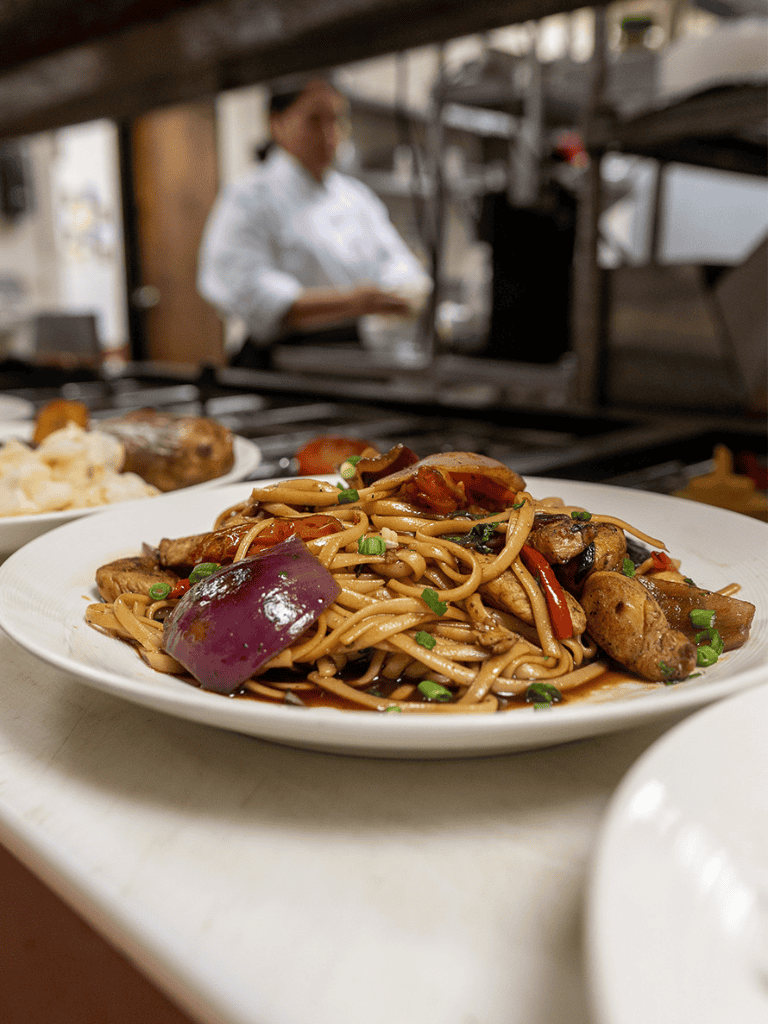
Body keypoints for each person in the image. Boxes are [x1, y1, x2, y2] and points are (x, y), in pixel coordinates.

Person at [197, 73, 431, 369]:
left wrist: (402, 291)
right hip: (279, 365)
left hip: (355, 359)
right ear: (276, 123)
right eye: (314, 120)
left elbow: (397, 263)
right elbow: (246, 288)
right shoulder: (249, 197)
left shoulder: (355, 198)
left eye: (337, 120)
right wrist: (349, 303)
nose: (329, 134)